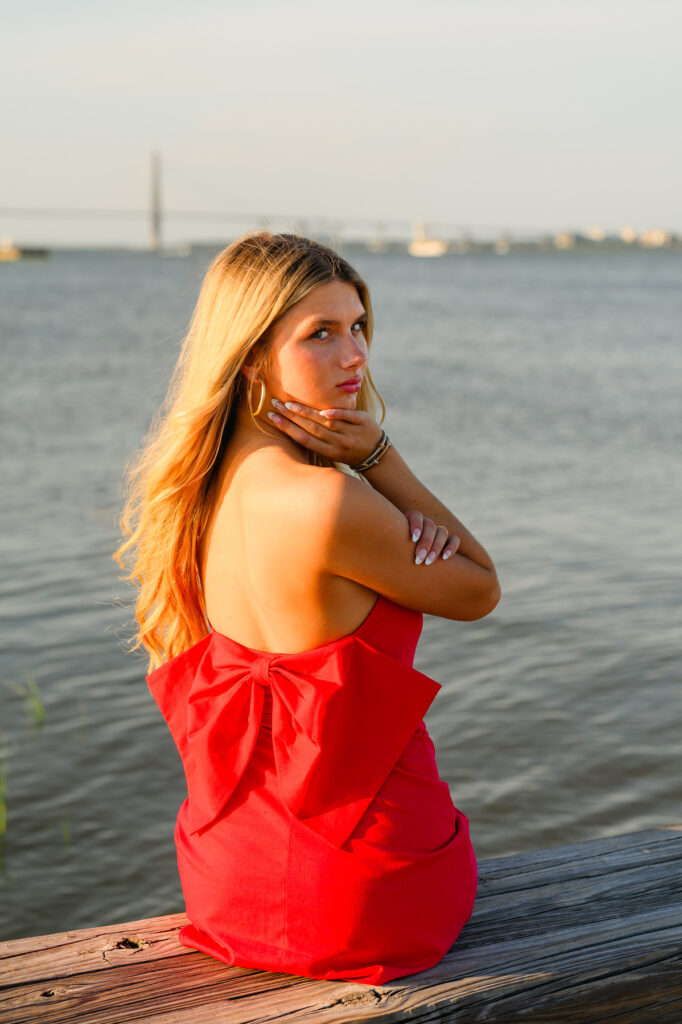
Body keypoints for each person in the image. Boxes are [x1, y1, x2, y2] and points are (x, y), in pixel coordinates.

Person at [113, 231, 501, 986]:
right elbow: (480, 586)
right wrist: (380, 460)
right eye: (319, 333)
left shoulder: (190, 499)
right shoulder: (331, 502)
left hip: (226, 886)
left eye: (357, 327)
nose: (354, 355)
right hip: (370, 896)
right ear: (251, 354)